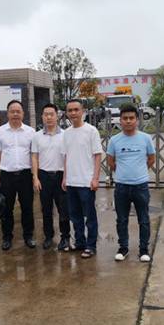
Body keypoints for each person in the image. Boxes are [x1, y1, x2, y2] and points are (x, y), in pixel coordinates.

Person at [106, 104, 155, 262]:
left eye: (131, 118)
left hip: (141, 186)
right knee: (122, 220)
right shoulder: (114, 140)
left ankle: (144, 250)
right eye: (125, 118)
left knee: (144, 219)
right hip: (121, 187)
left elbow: (151, 158)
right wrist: (122, 173)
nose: (128, 121)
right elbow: (111, 161)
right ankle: (123, 248)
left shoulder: (146, 138)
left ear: (137, 120)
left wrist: (139, 171)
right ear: (120, 120)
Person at [0, 99, 36, 251]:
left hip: (25, 175)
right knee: (6, 208)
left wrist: (35, 176)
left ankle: (28, 236)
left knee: (27, 207)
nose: (15, 114)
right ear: (8, 113)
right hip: (7, 176)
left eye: (18, 111)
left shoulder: (30, 132)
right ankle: (7, 238)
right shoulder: (0, 132)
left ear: (23, 113)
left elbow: (34, 155)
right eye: (12, 111)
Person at [61, 99, 103, 258]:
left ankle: (91, 245)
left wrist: (95, 178)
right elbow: (66, 156)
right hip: (71, 182)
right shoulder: (66, 133)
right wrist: (65, 178)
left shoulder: (91, 131)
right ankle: (80, 242)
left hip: (86, 182)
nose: (73, 113)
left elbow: (97, 155)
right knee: (75, 216)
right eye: (70, 110)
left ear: (82, 111)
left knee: (89, 216)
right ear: (67, 113)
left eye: (76, 110)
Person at [31, 103, 72, 251]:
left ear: (57, 116)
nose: (48, 117)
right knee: (46, 209)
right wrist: (35, 177)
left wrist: (66, 177)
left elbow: (68, 157)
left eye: (51, 114)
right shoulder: (37, 136)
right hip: (44, 176)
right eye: (46, 114)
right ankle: (48, 236)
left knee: (63, 209)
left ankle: (65, 237)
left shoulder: (65, 135)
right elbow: (34, 157)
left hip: (61, 176)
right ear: (42, 116)